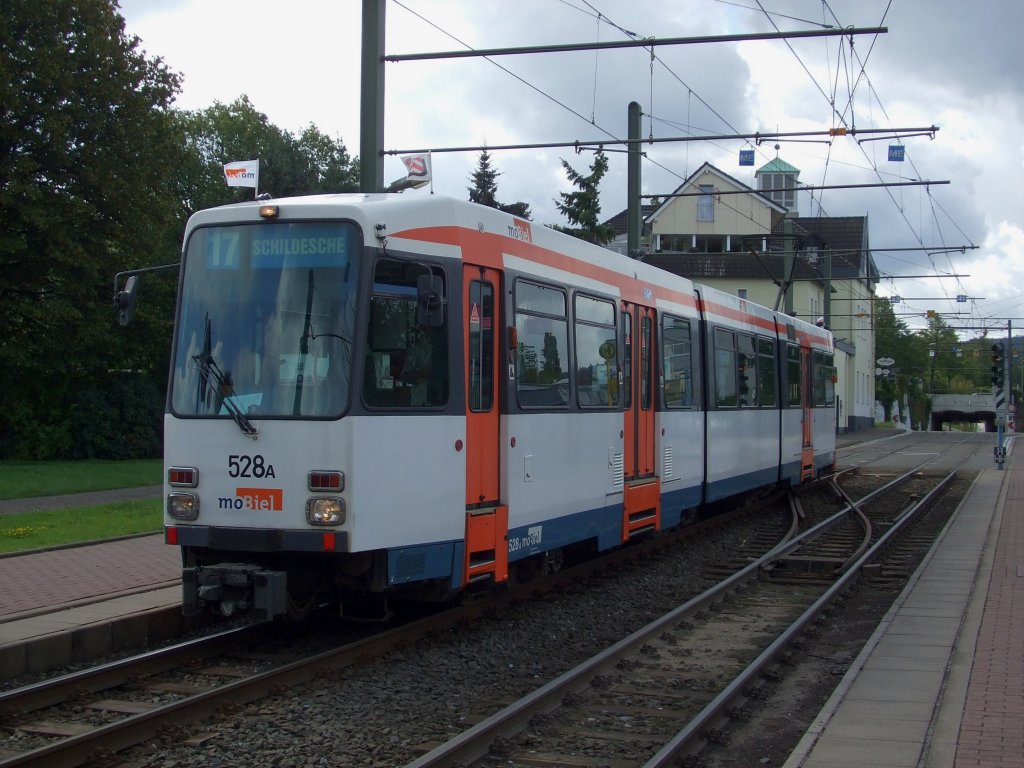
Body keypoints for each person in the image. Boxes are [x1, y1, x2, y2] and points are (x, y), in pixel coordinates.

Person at [402, 329, 433, 406]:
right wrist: (420, 377)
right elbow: (405, 374)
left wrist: (424, 373)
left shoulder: (445, 349)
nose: (426, 335)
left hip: (441, 397)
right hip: (418, 398)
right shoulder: (415, 350)